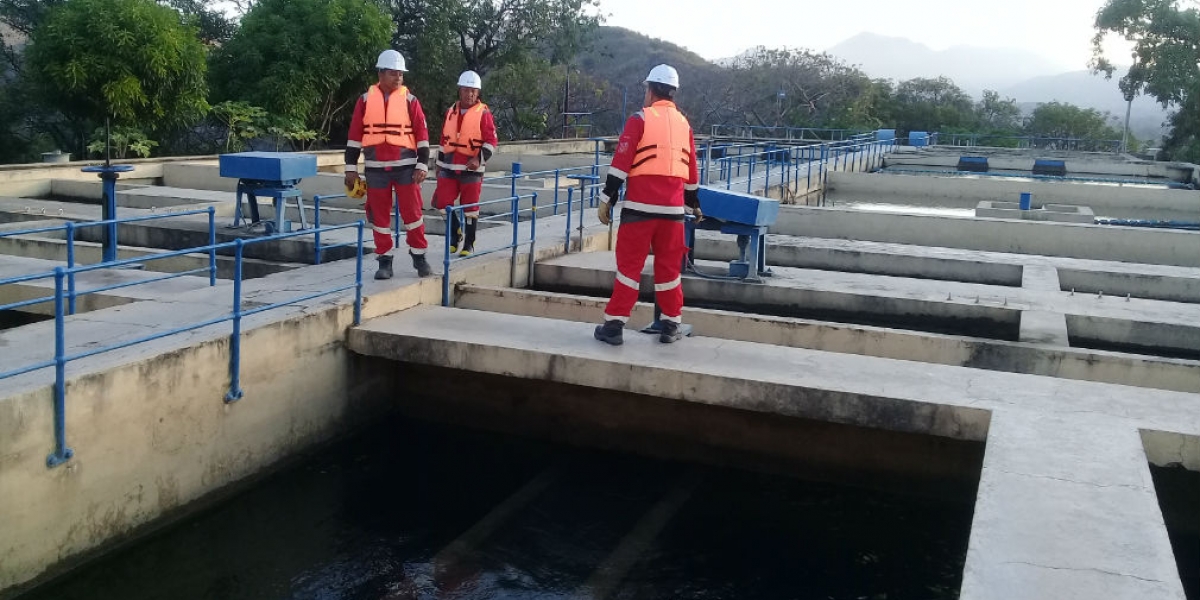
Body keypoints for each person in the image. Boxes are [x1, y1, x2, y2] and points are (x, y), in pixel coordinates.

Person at [593, 64, 701, 346]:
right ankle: (671, 326)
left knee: (629, 268)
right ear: (673, 93)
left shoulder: (639, 119)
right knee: (669, 270)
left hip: (639, 210)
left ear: (651, 90)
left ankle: (614, 326)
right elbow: (691, 171)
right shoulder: (684, 125)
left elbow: (621, 162)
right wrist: (694, 203)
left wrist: (607, 197)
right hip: (674, 213)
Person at [344, 49, 433, 279]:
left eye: (401, 75)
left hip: (406, 168)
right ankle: (385, 262)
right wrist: (350, 169)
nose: (399, 78)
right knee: (379, 218)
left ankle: (419, 257)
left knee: (413, 214)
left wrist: (422, 165)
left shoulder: (410, 101)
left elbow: (422, 135)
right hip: (376, 169)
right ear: (381, 74)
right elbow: (354, 136)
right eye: (394, 74)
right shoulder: (364, 101)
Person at [432, 70, 498, 256]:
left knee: (470, 207)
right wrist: (438, 162)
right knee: (442, 202)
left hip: (471, 169)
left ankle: (469, 243)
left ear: (478, 93)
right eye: (467, 90)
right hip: (448, 166)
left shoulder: (483, 113)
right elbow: (444, 139)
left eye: (474, 91)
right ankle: (455, 234)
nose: (470, 94)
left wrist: (479, 159)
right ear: (460, 91)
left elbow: (492, 141)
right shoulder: (450, 112)